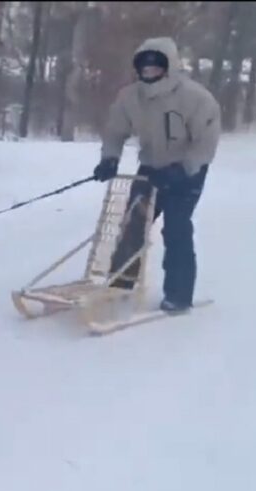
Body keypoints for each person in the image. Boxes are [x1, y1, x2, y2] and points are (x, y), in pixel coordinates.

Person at [92, 36, 221, 313]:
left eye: (156, 68)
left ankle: (179, 295)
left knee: (176, 227)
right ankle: (121, 281)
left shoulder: (195, 98)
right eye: (144, 68)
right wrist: (110, 158)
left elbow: (206, 142)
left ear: (169, 67)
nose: (149, 73)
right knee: (132, 222)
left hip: (187, 171)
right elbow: (115, 130)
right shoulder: (130, 97)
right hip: (151, 167)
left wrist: (183, 169)